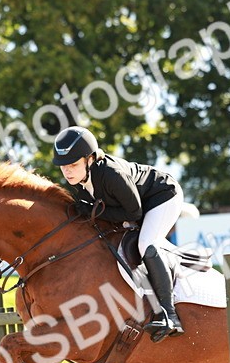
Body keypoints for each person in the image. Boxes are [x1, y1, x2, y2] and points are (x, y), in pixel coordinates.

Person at [52, 126, 185, 341]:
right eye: (63, 166)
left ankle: (169, 315)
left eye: (73, 165)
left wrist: (94, 212)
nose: (67, 171)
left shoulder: (111, 175)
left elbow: (134, 212)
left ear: (91, 159)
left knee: (146, 244)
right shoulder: (79, 181)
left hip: (162, 197)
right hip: (137, 204)